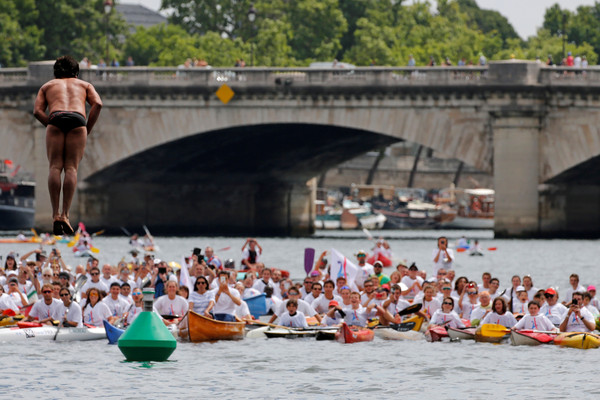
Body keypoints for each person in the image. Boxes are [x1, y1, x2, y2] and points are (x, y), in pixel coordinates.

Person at [33, 56, 102, 236]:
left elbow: (37, 111)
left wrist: (50, 123)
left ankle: (55, 214)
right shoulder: (85, 85)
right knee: (71, 168)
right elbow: (98, 104)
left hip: (55, 118)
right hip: (78, 120)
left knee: (55, 167)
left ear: (56, 72)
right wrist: (87, 128)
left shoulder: (47, 86)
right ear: (76, 72)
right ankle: (65, 214)